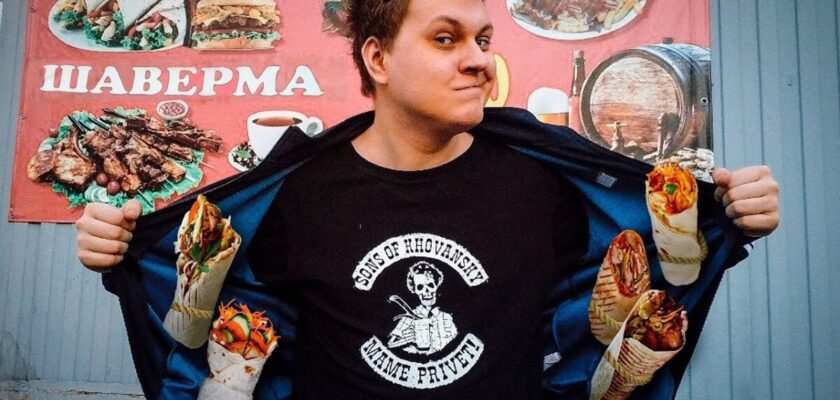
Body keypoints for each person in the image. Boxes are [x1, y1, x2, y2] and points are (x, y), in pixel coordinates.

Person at [74, 0, 780, 398]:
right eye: (446, 39)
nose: (479, 59)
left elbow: (641, 282)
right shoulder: (298, 193)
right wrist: (121, 248)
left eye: (482, 39)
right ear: (377, 58)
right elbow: (204, 297)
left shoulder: (545, 186)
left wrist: (726, 218)